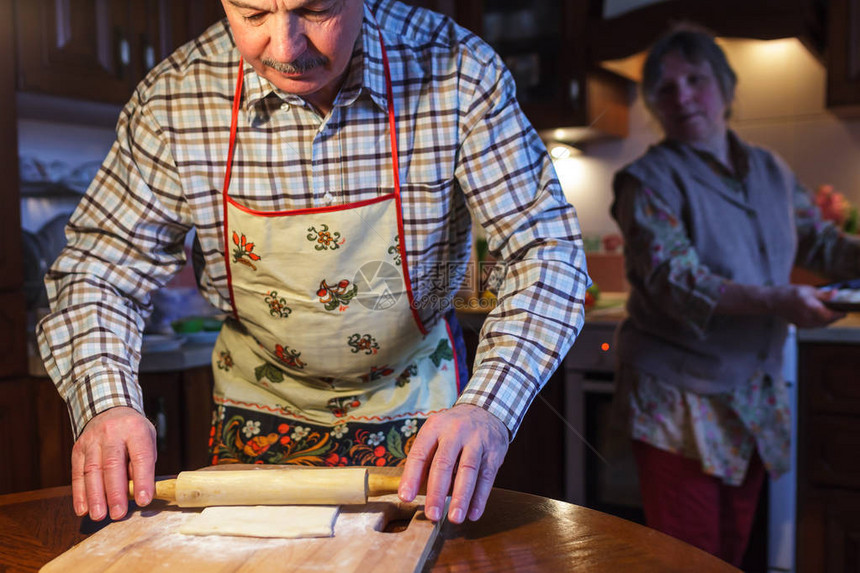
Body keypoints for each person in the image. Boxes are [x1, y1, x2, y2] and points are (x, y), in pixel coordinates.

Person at [37, 0, 589, 527]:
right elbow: (95, 273)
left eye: (315, 10)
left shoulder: (459, 71)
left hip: (424, 407)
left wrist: (489, 408)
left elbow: (546, 253)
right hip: (258, 405)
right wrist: (106, 405)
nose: (285, 45)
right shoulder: (173, 101)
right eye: (252, 15)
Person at [610, 23, 860, 566]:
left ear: (725, 87)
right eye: (665, 87)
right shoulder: (647, 180)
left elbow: (819, 242)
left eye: (695, 79)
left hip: (752, 388)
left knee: (733, 549)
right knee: (688, 555)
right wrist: (780, 300)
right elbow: (678, 283)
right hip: (680, 395)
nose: (681, 96)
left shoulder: (768, 167)